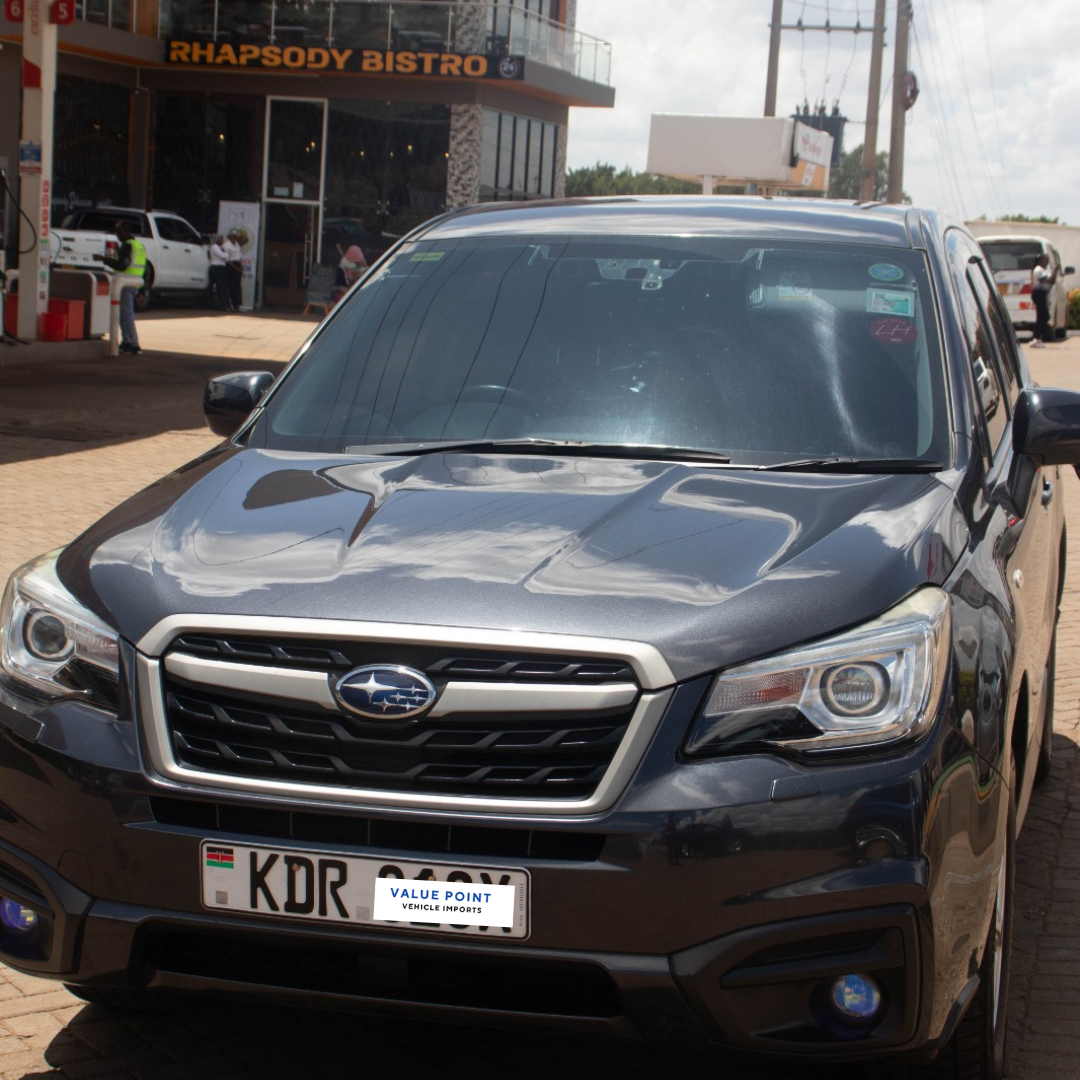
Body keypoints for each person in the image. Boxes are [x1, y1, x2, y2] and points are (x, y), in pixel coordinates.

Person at [93, 220, 146, 354]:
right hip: (134, 283)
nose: (117, 235)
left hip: (124, 283)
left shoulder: (127, 246)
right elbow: (145, 270)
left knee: (126, 314)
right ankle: (127, 342)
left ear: (126, 231)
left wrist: (104, 259)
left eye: (118, 232)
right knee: (123, 314)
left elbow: (122, 265)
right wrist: (143, 290)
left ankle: (133, 344)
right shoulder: (139, 246)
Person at [1030, 253, 1059, 348]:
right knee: (1045, 316)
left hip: (1043, 294)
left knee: (1041, 317)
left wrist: (1054, 273)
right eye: (1045, 259)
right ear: (1041, 260)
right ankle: (1036, 337)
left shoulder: (1045, 270)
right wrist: (1054, 271)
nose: (1047, 261)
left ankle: (1037, 338)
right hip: (1039, 293)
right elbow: (1046, 280)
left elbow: (1052, 281)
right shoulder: (1038, 270)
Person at [208, 234, 232, 312]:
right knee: (221, 287)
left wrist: (225, 255)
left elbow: (226, 259)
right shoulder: (214, 246)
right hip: (216, 268)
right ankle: (223, 305)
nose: (222, 241)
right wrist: (226, 253)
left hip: (221, 268)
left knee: (223, 287)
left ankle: (224, 304)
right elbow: (223, 256)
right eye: (221, 239)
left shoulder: (219, 247)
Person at [224, 231, 245, 311]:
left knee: (237, 286)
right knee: (231, 285)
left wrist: (241, 266)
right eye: (234, 236)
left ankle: (238, 304)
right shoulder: (226, 245)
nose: (235, 238)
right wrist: (235, 268)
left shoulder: (237, 244)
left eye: (236, 237)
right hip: (231, 265)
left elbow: (239, 257)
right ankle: (232, 304)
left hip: (237, 264)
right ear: (230, 237)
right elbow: (227, 259)